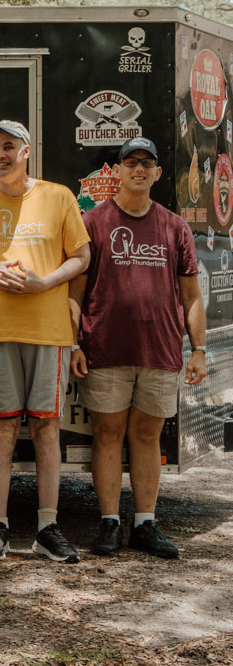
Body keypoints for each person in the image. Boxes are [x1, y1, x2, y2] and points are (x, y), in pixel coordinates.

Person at [0, 119, 90, 564]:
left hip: (49, 332)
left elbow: (82, 257)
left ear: (26, 150)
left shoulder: (57, 196)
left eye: (8, 147)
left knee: (46, 427)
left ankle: (47, 527)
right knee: (3, 427)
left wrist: (44, 283)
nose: (0, 155)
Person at [69, 137, 206, 559]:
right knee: (107, 435)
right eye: (131, 162)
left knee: (146, 437)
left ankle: (145, 522)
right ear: (118, 170)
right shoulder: (93, 222)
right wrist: (73, 342)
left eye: (147, 163)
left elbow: (192, 296)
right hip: (105, 349)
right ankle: (109, 521)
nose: (139, 170)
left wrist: (198, 348)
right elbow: (75, 291)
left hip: (161, 351)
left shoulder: (174, 226)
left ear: (159, 173)